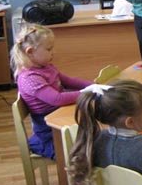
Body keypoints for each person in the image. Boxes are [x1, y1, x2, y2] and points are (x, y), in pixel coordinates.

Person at [10, 24, 91, 160]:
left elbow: (69, 81)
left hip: (59, 118)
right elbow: (57, 99)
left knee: (91, 139)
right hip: (49, 132)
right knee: (82, 154)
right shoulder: (29, 78)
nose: (53, 52)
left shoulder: (46, 67)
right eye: (49, 49)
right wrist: (86, 93)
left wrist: (93, 86)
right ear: (30, 52)